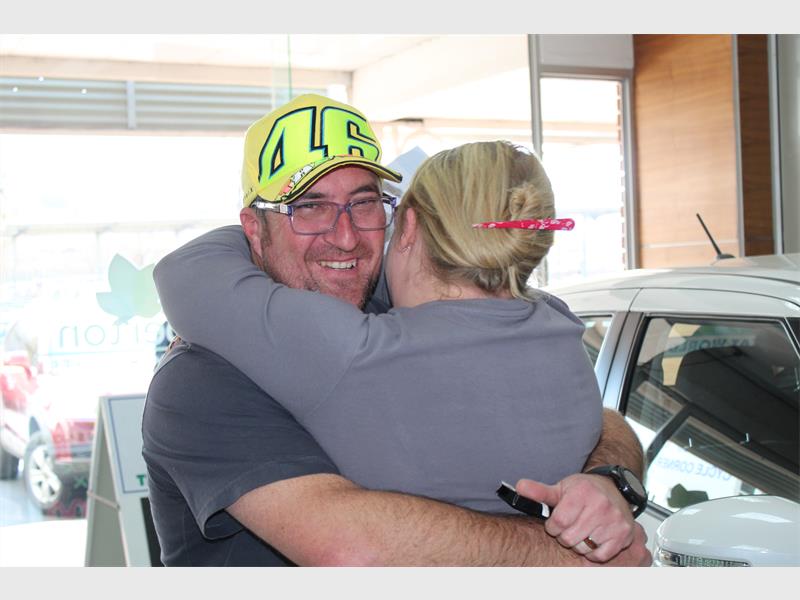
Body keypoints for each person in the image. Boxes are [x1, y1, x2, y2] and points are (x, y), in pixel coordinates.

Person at [143, 94, 651, 567]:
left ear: (397, 220)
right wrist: (579, 560)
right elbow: (354, 548)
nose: (345, 238)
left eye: (364, 202)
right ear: (253, 229)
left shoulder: (402, 315)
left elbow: (604, 421)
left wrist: (605, 478)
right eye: (309, 207)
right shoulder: (203, 380)